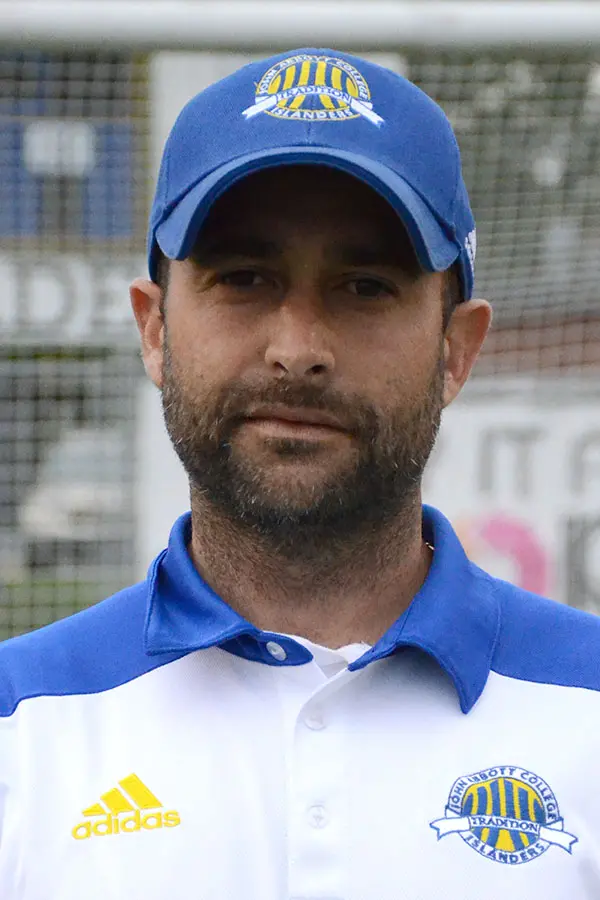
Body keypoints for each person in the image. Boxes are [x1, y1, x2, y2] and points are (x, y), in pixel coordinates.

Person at [0, 48, 598, 900]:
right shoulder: (20, 723)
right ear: (155, 330)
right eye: (244, 278)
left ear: (457, 350)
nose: (298, 350)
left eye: (365, 286)